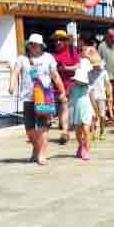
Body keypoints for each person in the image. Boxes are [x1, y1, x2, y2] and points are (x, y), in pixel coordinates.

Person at [11, 33, 67, 165]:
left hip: (45, 97)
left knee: (43, 127)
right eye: (31, 44)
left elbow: (55, 76)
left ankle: (41, 154)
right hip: (28, 98)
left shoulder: (48, 58)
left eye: (36, 45)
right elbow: (15, 72)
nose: (33, 47)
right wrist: (11, 85)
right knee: (29, 130)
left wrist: (62, 91)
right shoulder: (22, 58)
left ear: (41, 46)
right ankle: (36, 149)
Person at [52, 29, 80, 145]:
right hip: (56, 86)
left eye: (61, 40)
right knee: (60, 110)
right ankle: (65, 128)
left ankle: (65, 132)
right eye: (56, 40)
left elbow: (78, 65)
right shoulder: (53, 55)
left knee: (64, 106)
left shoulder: (72, 51)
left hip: (69, 84)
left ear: (65, 41)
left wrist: (66, 69)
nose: (58, 42)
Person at [70, 57, 94, 160]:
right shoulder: (72, 88)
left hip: (87, 111)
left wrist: (96, 112)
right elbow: (69, 100)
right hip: (76, 112)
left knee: (86, 129)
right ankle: (81, 145)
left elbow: (93, 101)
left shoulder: (89, 88)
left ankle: (87, 149)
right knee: (78, 132)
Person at [98, 29, 114, 118]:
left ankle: (112, 109)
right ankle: (111, 113)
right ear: (107, 36)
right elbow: (99, 59)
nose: (112, 38)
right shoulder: (101, 46)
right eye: (110, 36)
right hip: (106, 74)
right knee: (109, 94)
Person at [87, 48, 112, 141]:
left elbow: (107, 83)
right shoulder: (89, 73)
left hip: (101, 96)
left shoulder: (104, 72)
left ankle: (102, 131)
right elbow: (88, 84)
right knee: (92, 115)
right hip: (92, 96)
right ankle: (93, 132)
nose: (95, 67)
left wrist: (109, 94)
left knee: (102, 115)